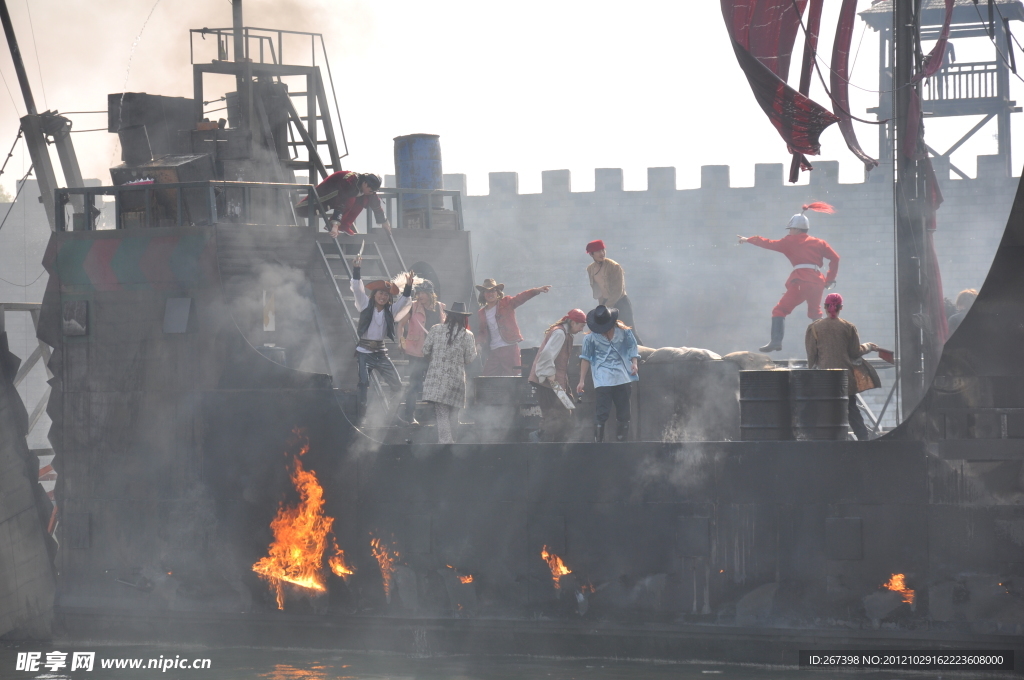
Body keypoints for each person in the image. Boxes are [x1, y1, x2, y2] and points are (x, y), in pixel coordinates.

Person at [738, 202, 840, 353]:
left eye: (791, 228)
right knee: (815, 313)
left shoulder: (789, 241)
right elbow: (835, 258)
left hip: (800, 281)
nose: (790, 231)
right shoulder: (819, 242)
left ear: (796, 229)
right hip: (818, 282)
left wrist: (748, 239)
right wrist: (830, 279)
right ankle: (824, 344)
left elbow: (768, 243)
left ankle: (776, 342)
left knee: (779, 310)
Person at [805, 293, 881, 441]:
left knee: (825, 411)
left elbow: (811, 357)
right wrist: (869, 346)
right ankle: (863, 440)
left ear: (825, 307)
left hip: (824, 380)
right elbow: (855, 352)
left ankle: (828, 442)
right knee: (851, 410)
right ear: (841, 308)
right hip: (845, 379)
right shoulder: (848, 327)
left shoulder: (814, 328)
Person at [350, 255, 413, 418]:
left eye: (386, 295)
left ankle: (393, 415)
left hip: (380, 353)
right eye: (380, 294)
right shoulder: (364, 305)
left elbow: (404, 301)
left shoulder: (390, 311)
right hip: (364, 352)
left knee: (397, 385)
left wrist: (408, 286)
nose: (383, 297)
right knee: (363, 383)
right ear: (374, 295)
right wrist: (357, 270)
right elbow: (358, 290)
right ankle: (360, 417)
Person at [577, 305, 640, 443]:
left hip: (622, 376)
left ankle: (621, 443)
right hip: (602, 378)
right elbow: (585, 358)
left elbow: (632, 347)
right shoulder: (590, 338)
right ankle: (598, 444)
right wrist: (581, 380)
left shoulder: (624, 332)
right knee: (602, 412)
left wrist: (634, 363)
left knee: (624, 413)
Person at [528, 309, 588, 442]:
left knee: (566, 410)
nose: (581, 329)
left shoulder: (565, 333)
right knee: (558, 413)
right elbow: (546, 355)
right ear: (572, 322)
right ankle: (539, 436)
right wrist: (549, 375)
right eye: (580, 325)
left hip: (556, 381)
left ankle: (557, 442)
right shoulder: (560, 333)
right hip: (548, 381)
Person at [421, 302, 477, 444]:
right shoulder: (468, 335)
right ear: (463, 318)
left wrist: (434, 359)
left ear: (449, 316)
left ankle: (445, 441)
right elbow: (469, 359)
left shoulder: (435, 329)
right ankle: (453, 442)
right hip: (457, 380)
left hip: (437, 378)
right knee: (454, 414)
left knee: (441, 412)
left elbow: (425, 350)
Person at [475, 278, 552, 376]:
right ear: (483, 294)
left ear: (497, 292)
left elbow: (520, 298)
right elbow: (482, 332)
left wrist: (536, 291)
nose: (490, 294)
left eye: (493, 291)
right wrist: (478, 344)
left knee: (515, 376)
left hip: (510, 347)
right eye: (487, 291)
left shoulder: (506, 303)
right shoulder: (481, 313)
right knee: (487, 378)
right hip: (494, 350)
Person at [396, 279, 446, 425]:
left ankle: (436, 417)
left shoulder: (440, 308)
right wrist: (401, 340)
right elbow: (401, 325)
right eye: (418, 293)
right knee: (414, 383)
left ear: (431, 294)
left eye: (424, 292)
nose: (420, 296)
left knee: (435, 384)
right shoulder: (412, 307)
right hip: (416, 351)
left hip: (434, 353)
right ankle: (410, 416)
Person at [296, 170, 391, 236]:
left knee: (364, 200)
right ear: (365, 184)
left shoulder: (367, 191)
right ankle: (337, 225)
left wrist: (384, 222)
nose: (372, 193)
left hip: (340, 198)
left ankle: (345, 225)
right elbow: (341, 203)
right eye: (371, 190)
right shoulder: (349, 181)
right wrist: (335, 226)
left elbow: (376, 205)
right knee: (302, 210)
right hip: (328, 194)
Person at [585, 240, 642, 344]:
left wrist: (606, 307)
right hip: (605, 303)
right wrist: (601, 307)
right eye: (598, 251)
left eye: (603, 250)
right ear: (591, 254)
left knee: (628, 330)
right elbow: (597, 290)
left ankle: (641, 355)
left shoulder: (614, 266)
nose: (602, 253)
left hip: (620, 302)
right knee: (605, 332)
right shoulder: (590, 269)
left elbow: (618, 291)